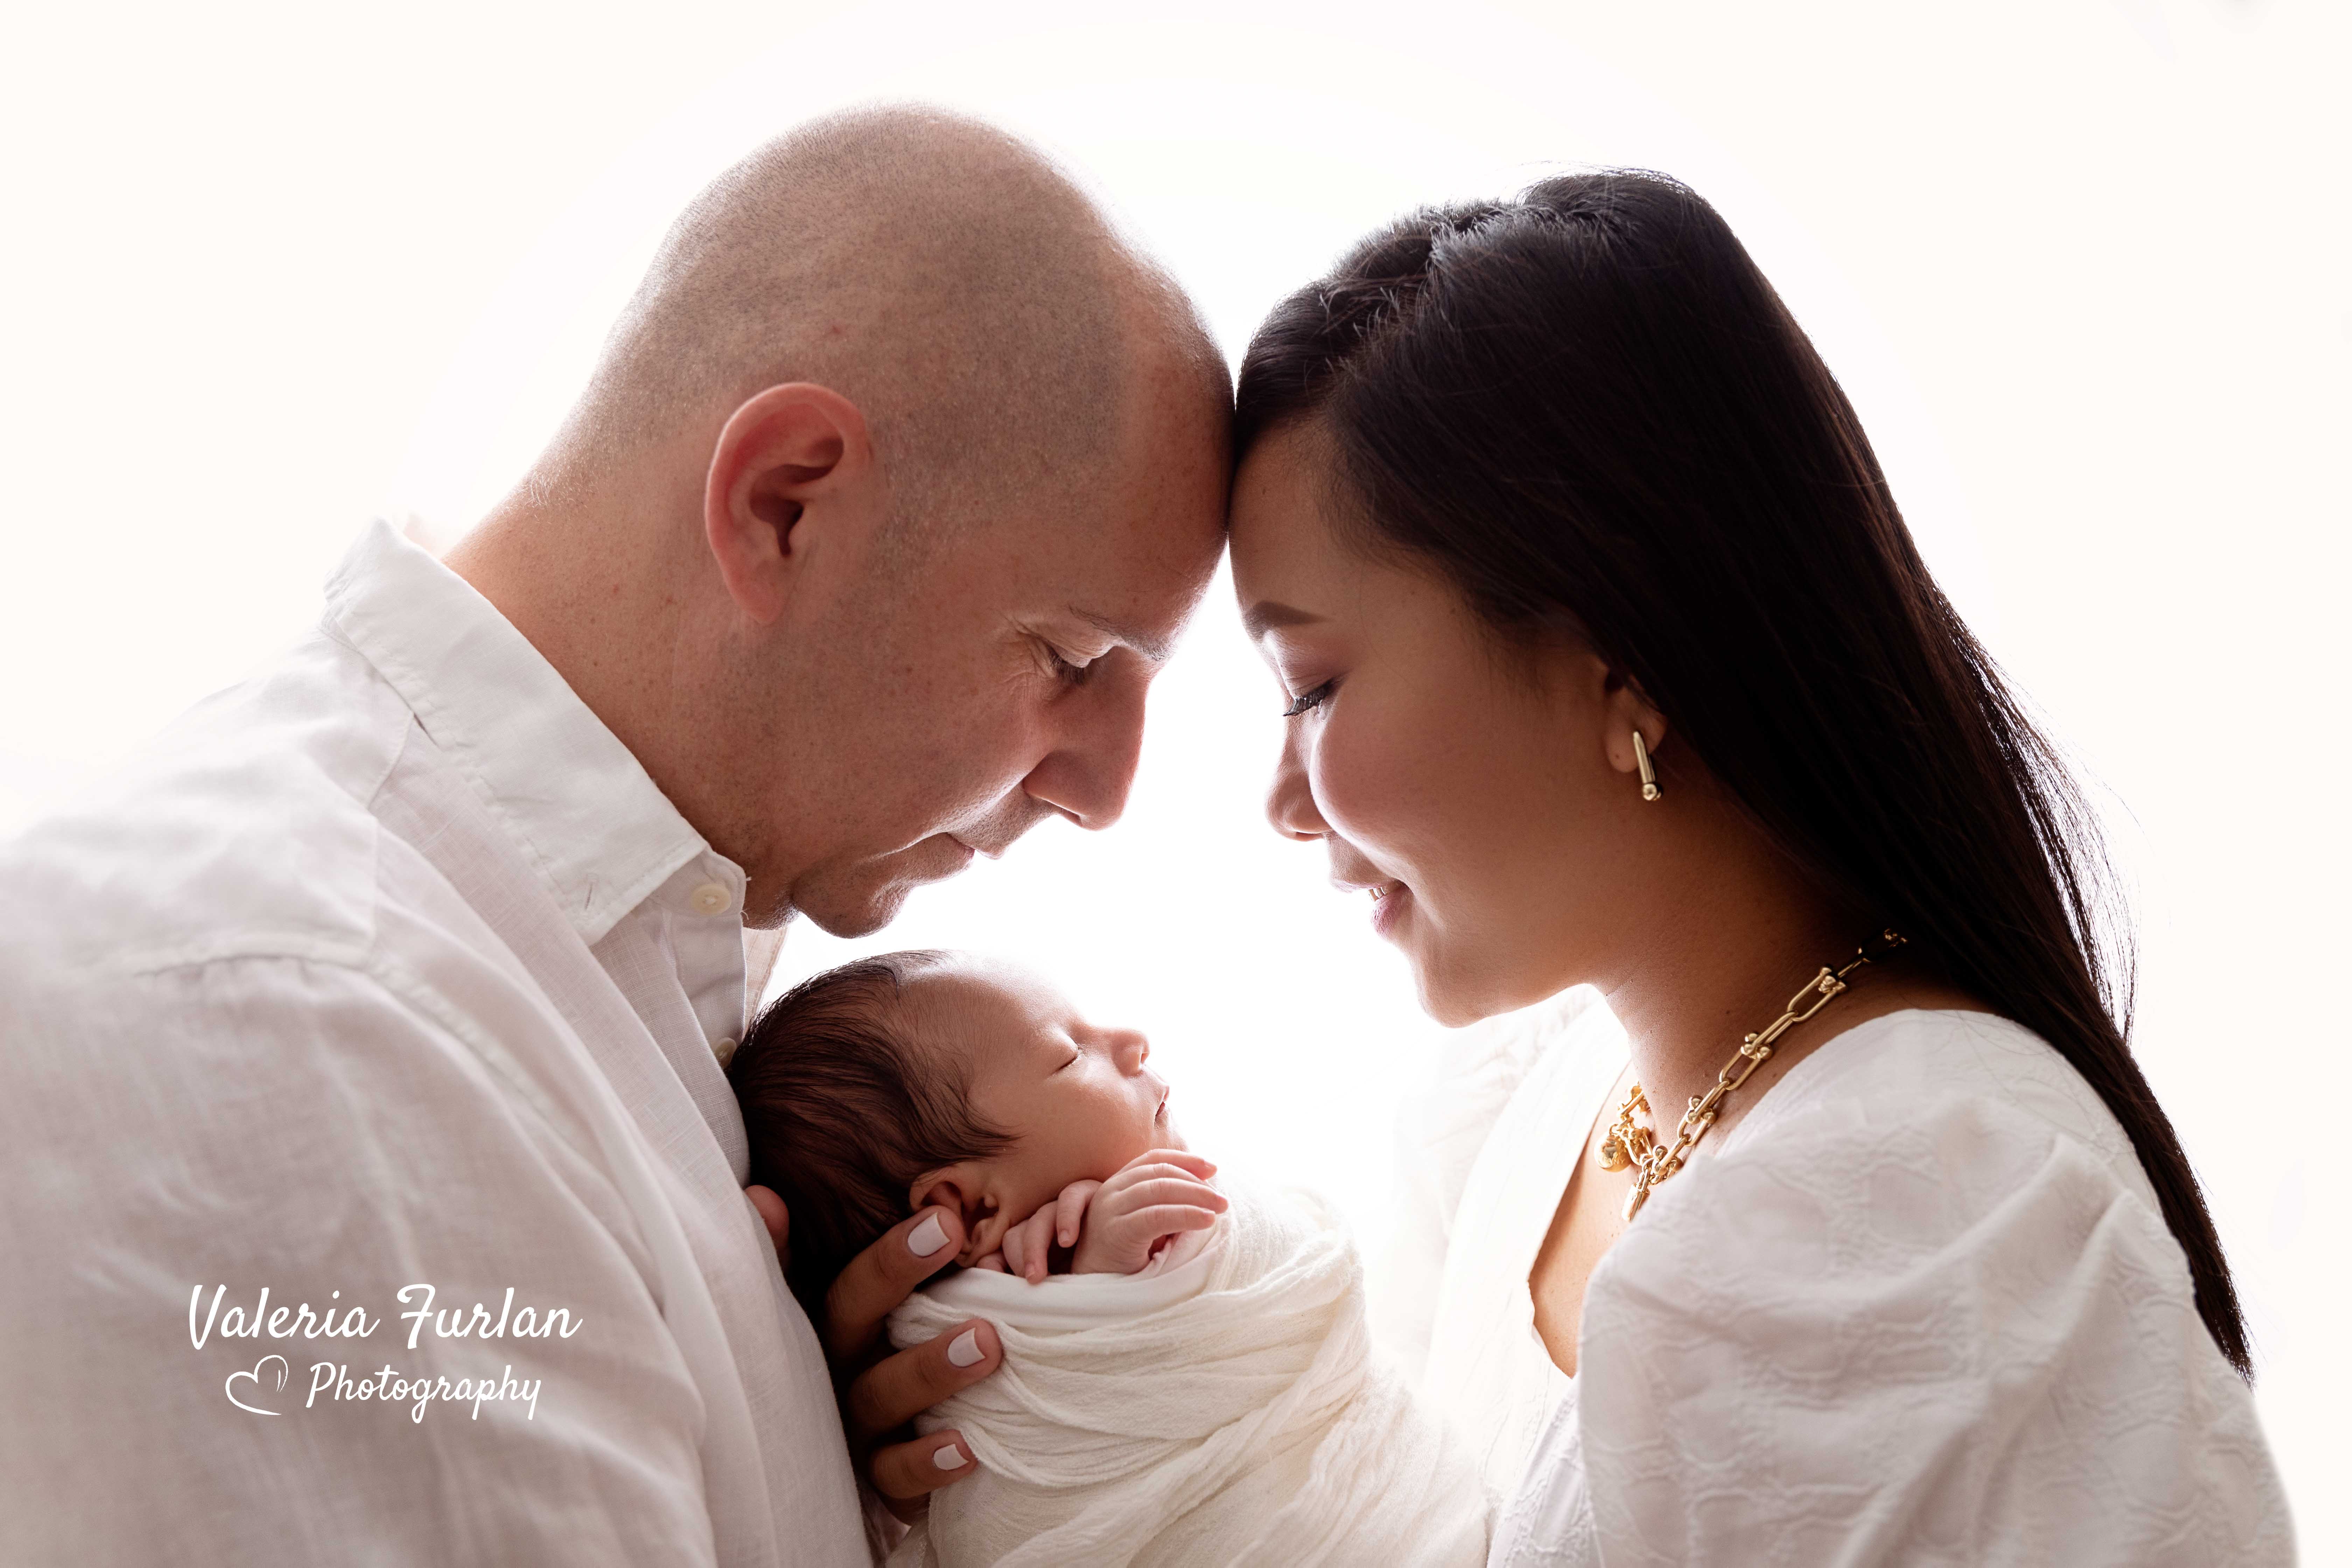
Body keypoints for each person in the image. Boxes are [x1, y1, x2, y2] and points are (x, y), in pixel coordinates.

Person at [0, 106, 1228, 1565]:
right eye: (1072, 659)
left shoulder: (611, 973)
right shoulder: (309, 1017)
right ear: (786, 504)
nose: (1104, 790)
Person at [1228, 170, 2294, 1563]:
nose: (1282, 804)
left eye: (1311, 685)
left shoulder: (1920, 1211)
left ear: (1620, 663)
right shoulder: (1535, 1112)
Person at [727, 949, 1491, 1567]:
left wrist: (1100, 1272)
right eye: (1068, 1055)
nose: (1131, 1040)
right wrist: (1108, 1280)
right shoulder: (943, 1350)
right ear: (974, 1209)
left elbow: (1274, 1298)